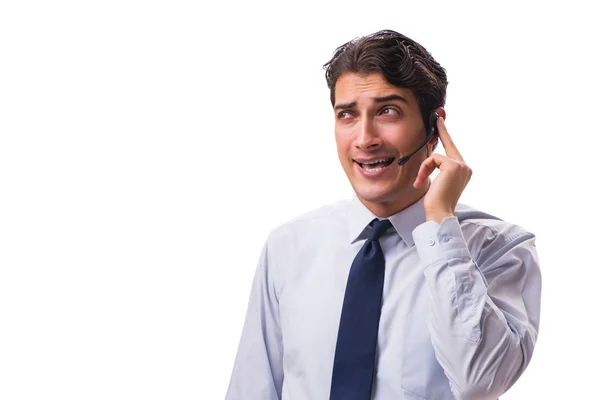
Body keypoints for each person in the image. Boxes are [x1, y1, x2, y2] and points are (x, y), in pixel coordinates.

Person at [225, 30, 541, 400]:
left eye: (387, 111)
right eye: (347, 115)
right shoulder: (289, 246)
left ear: (433, 127)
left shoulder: (499, 249)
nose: (364, 138)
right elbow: (252, 390)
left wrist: (440, 222)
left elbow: (479, 382)